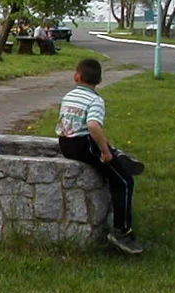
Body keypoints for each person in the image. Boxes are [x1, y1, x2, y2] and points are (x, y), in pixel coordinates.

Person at [56, 58, 146, 255]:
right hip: (83, 145)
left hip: (65, 143)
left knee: (106, 149)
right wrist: (105, 153)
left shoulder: (69, 95)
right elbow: (93, 125)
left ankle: (118, 155)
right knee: (123, 181)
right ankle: (122, 231)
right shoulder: (95, 100)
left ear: (76, 76)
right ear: (99, 80)